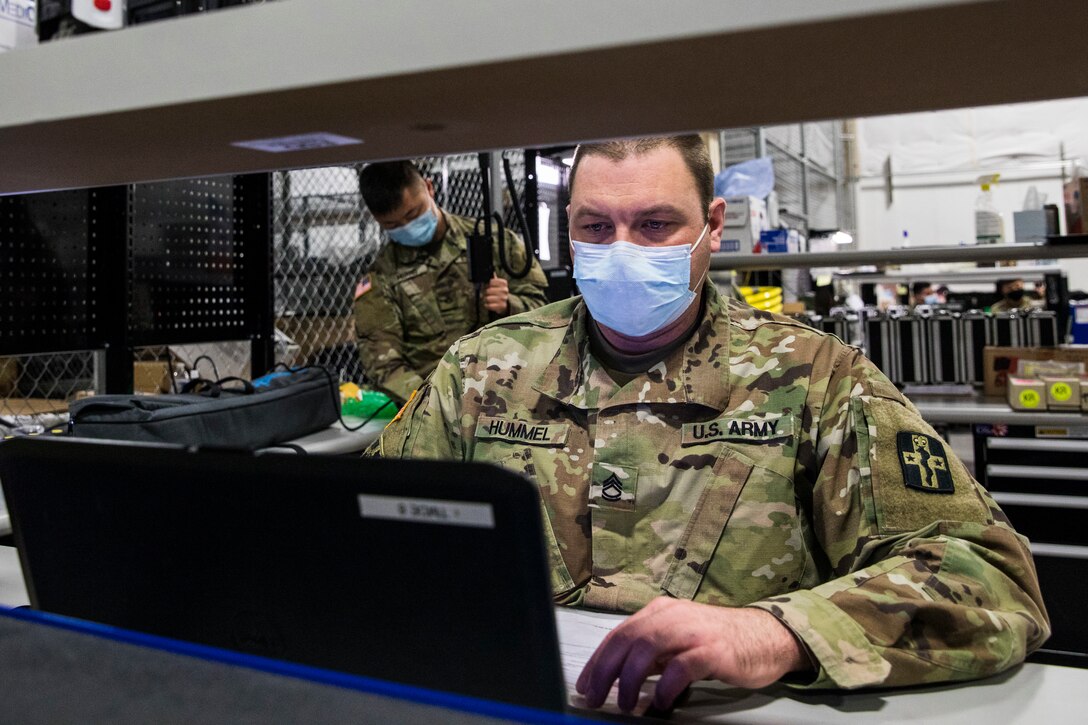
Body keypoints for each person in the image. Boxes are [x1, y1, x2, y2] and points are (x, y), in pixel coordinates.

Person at [368, 136, 1049, 712]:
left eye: (656, 224)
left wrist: (775, 631)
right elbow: (358, 533)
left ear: (713, 225)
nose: (623, 249)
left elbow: (988, 573)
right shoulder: (483, 370)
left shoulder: (812, 377)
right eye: (595, 228)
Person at [353, 161, 550, 403]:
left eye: (413, 213)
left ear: (429, 188)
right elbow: (383, 365)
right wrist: (437, 405)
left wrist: (510, 305)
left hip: (513, 393)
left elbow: (548, 316)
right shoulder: (381, 279)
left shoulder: (494, 243)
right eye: (392, 225)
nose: (408, 227)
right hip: (436, 409)